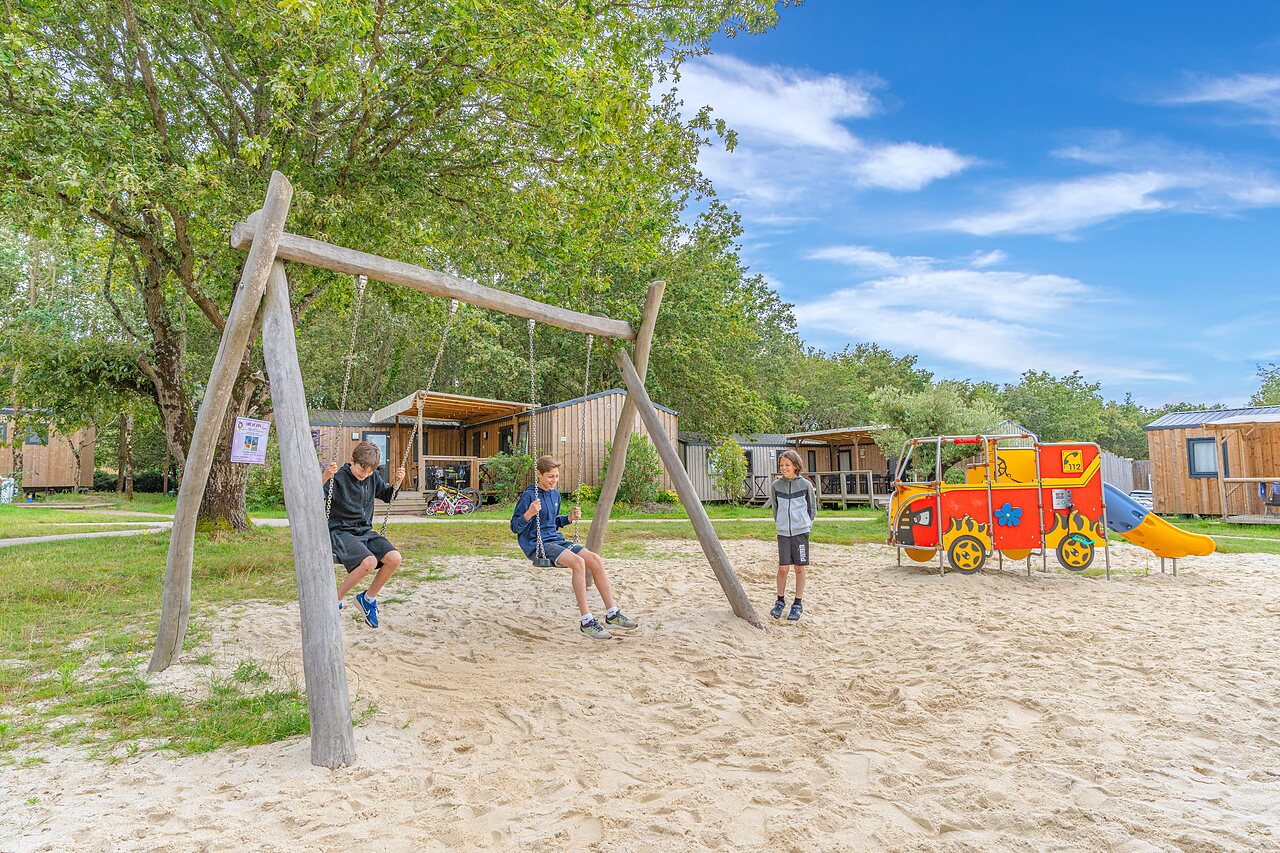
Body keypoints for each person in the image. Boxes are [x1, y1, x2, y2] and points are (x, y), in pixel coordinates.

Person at [511, 455, 637, 640]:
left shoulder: (555, 495)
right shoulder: (530, 495)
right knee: (578, 563)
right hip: (539, 545)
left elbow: (551, 522)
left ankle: (612, 613)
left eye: (556, 476)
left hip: (555, 539)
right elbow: (515, 526)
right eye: (550, 477)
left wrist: (568, 518)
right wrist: (529, 513)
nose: (554, 481)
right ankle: (586, 621)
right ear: (539, 474)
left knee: (595, 559)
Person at [322, 441, 405, 628]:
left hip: (364, 531)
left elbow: (387, 495)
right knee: (369, 562)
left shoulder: (372, 477)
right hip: (341, 531)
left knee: (394, 558)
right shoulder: (338, 477)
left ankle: (368, 599)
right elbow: (314, 494)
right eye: (362, 469)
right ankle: (334, 600)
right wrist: (326, 476)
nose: (365, 474)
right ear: (352, 460)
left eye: (370, 471)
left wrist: (398, 482)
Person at [765, 449, 816, 621]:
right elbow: (775, 509)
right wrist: (780, 524)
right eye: (781, 465)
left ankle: (797, 604)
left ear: (796, 466)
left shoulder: (806, 485)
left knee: (799, 568)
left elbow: (812, 509)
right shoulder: (776, 486)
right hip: (783, 533)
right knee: (783, 569)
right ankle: (780, 602)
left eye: (787, 465)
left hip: (801, 532)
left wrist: (806, 524)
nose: (784, 468)